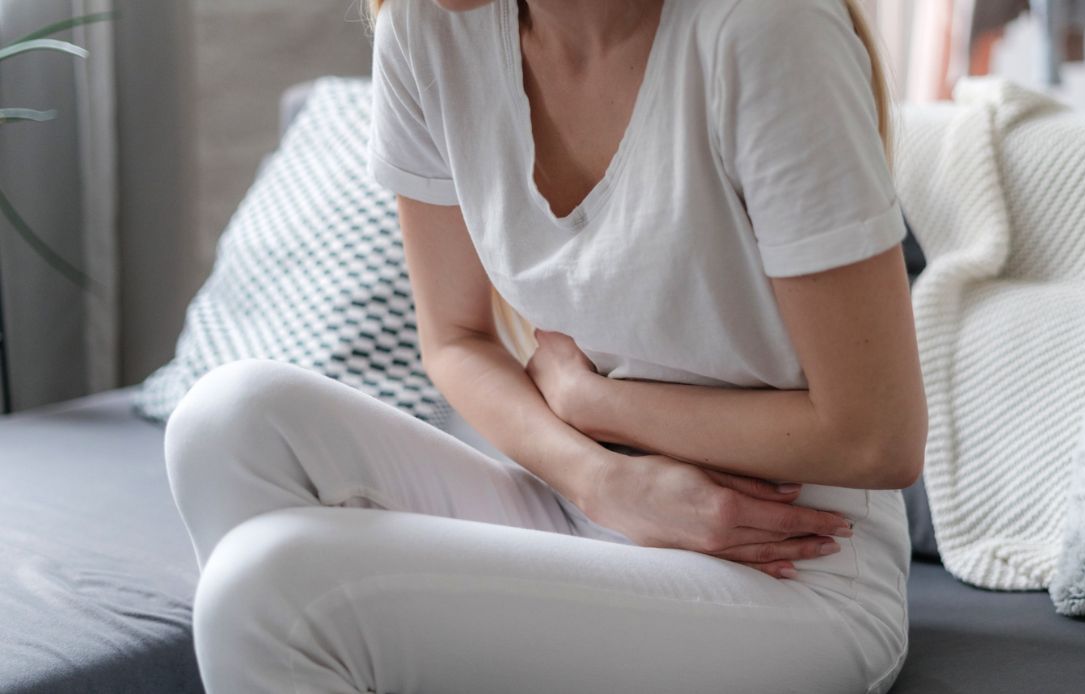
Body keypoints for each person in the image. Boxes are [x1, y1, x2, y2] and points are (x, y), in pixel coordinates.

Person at [163, 0, 929, 691]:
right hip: (584, 505)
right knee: (229, 420)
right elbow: (455, 339)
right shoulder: (431, 26)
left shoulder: (763, 30)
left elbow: (877, 438)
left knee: (270, 590)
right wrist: (599, 480)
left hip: (790, 565)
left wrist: (595, 403)